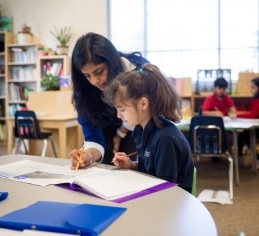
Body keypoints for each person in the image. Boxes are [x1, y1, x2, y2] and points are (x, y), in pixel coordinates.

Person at [103, 63, 194, 193]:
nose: (119, 115)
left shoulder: (165, 139)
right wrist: (131, 165)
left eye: (122, 109)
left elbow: (165, 189)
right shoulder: (142, 130)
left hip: (173, 205)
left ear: (143, 104)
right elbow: (152, 170)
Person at [69, 32, 149, 167]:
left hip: (138, 128)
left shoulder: (139, 71)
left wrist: (121, 132)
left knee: (135, 163)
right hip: (107, 131)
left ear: (111, 62)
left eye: (99, 71)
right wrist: (87, 156)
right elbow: (94, 139)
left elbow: (148, 113)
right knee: (105, 164)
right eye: (87, 76)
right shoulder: (84, 92)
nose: (95, 81)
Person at [237, 77, 259, 167]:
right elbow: (247, 108)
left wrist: (236, 115)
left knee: (247, 136)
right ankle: (240, 159)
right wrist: (236, 110)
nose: (251, 90)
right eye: (250, 87)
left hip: (257, 127)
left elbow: (253, 114)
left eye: (253, 87)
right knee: (242, 136)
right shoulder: (255, 98)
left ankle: (257, 159)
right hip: (255, 125)